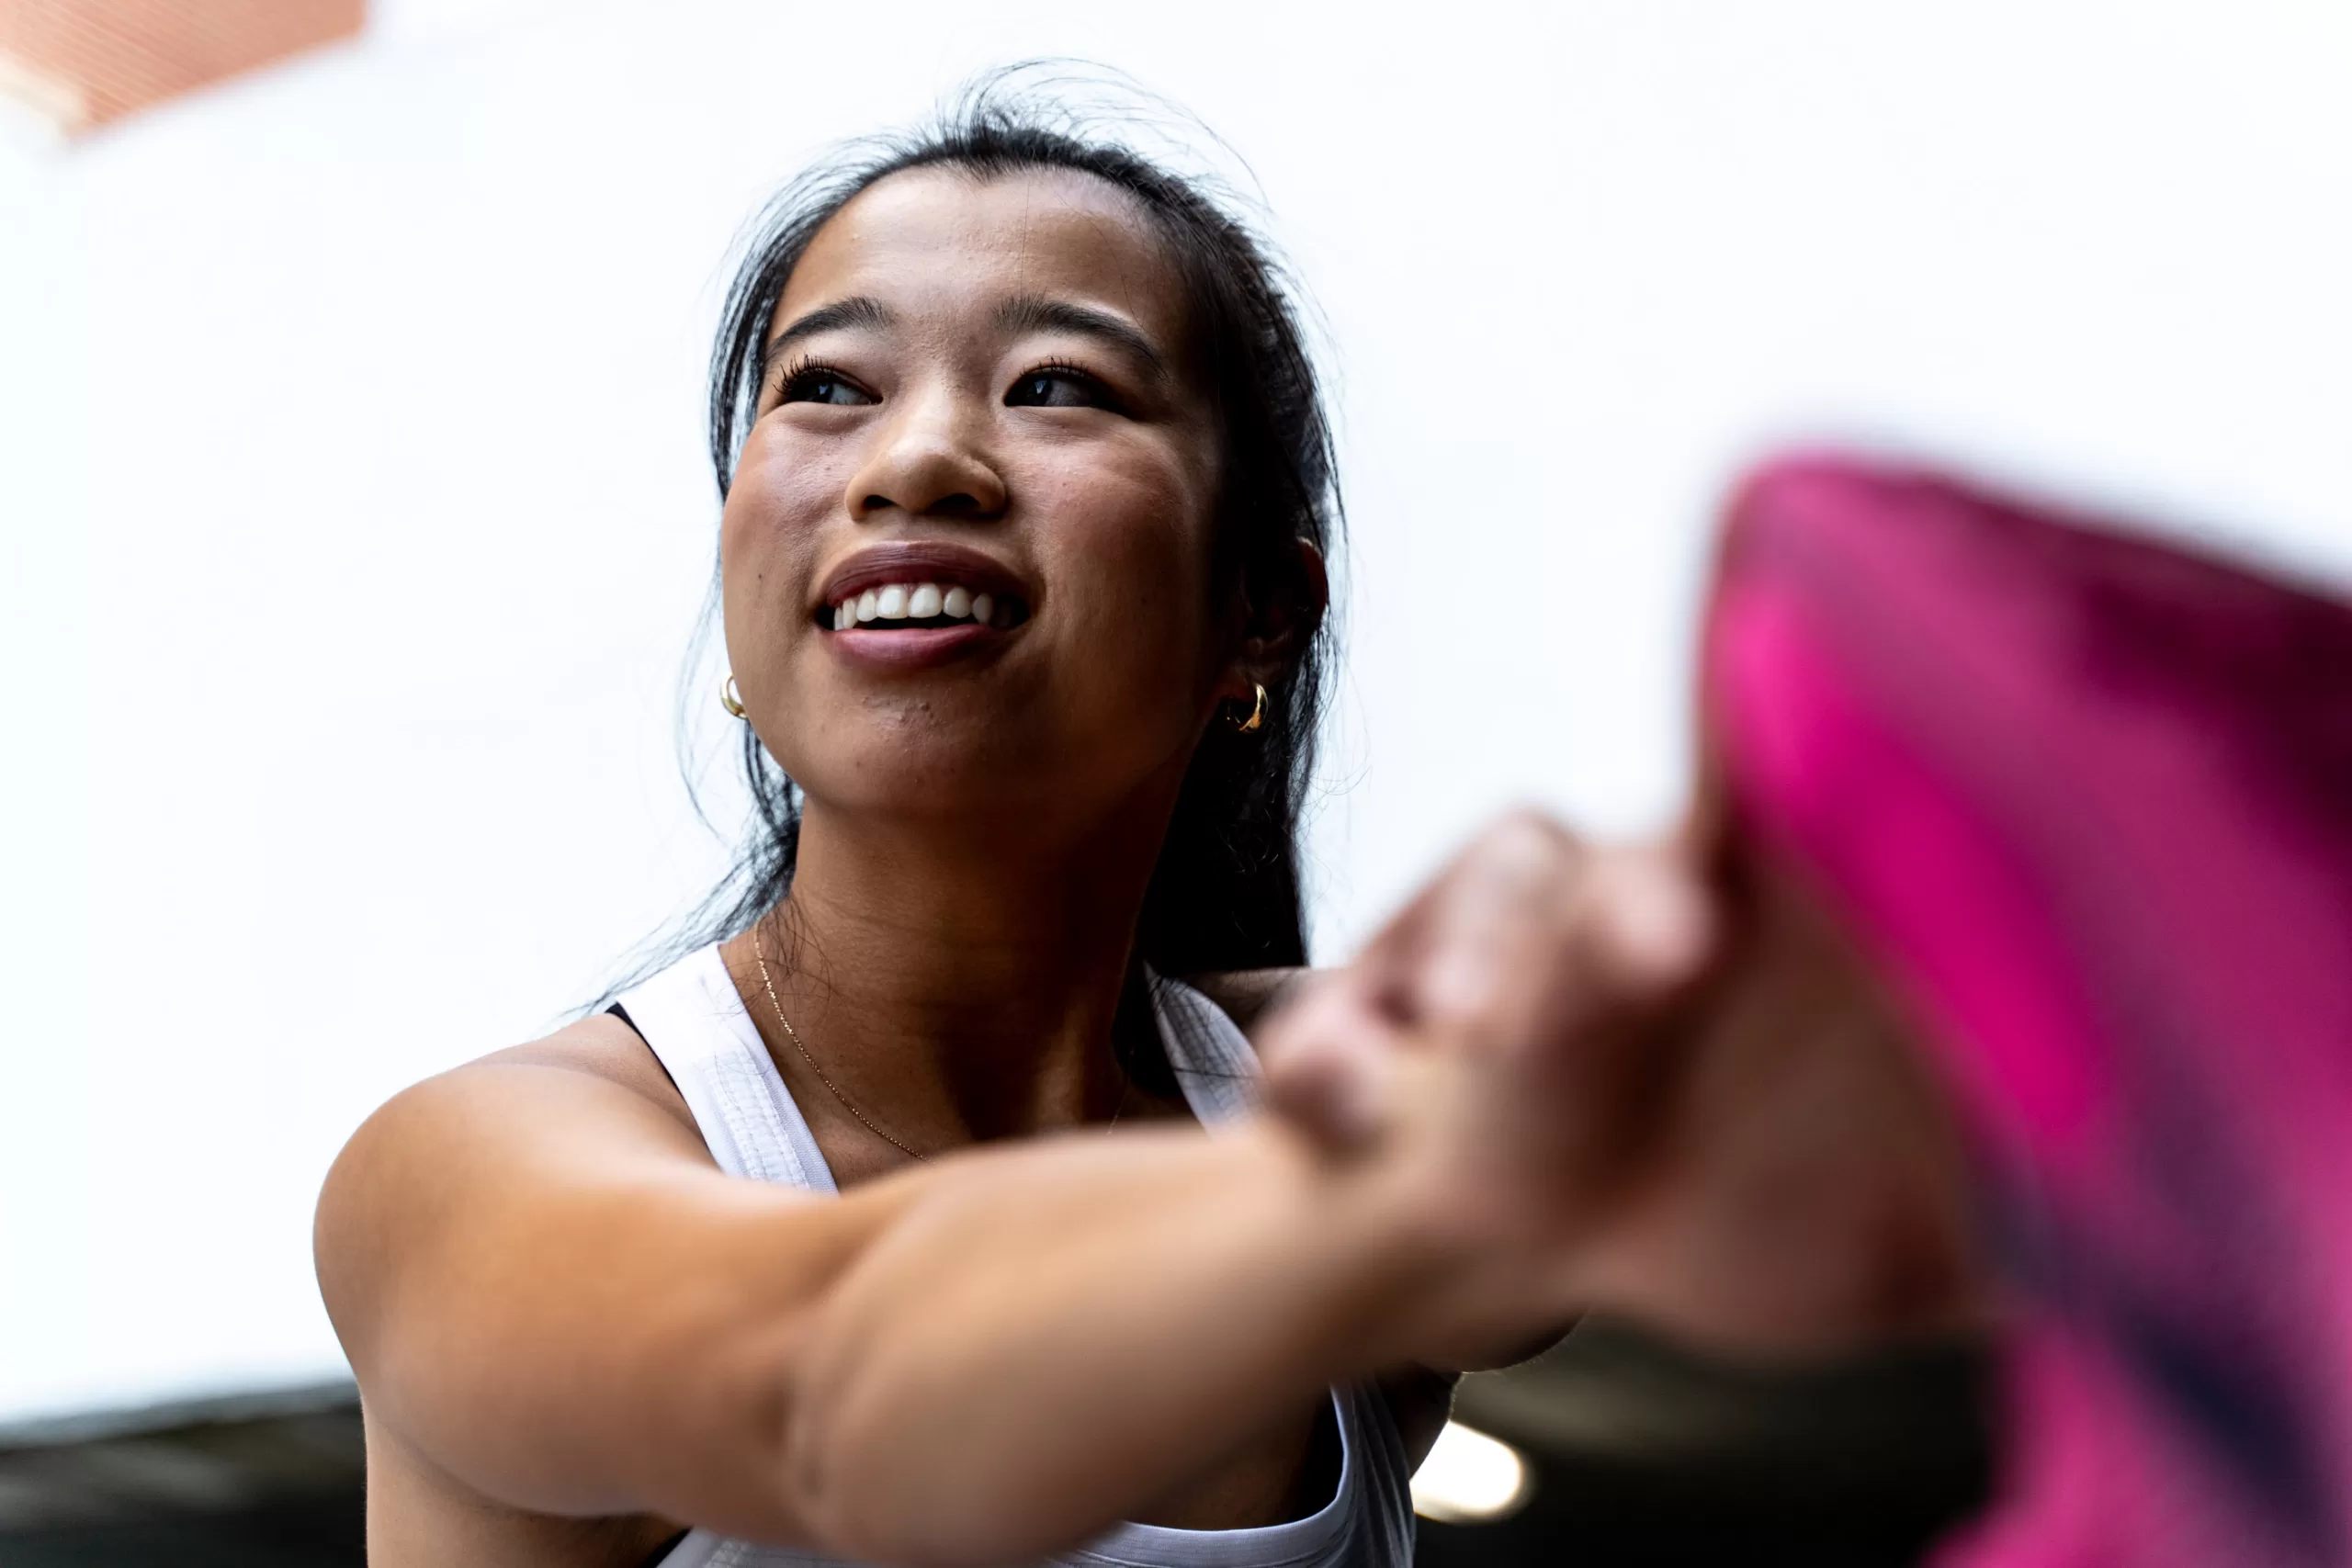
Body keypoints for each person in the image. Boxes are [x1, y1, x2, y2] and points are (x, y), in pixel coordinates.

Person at [321, 85, 1939, 1567]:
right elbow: (831, 1395)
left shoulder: (1320, 1088)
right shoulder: (484, 1168)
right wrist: (1423, 1175)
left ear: (1259, 613)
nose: (917, 458)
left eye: (1059, 387)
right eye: (826, 387)